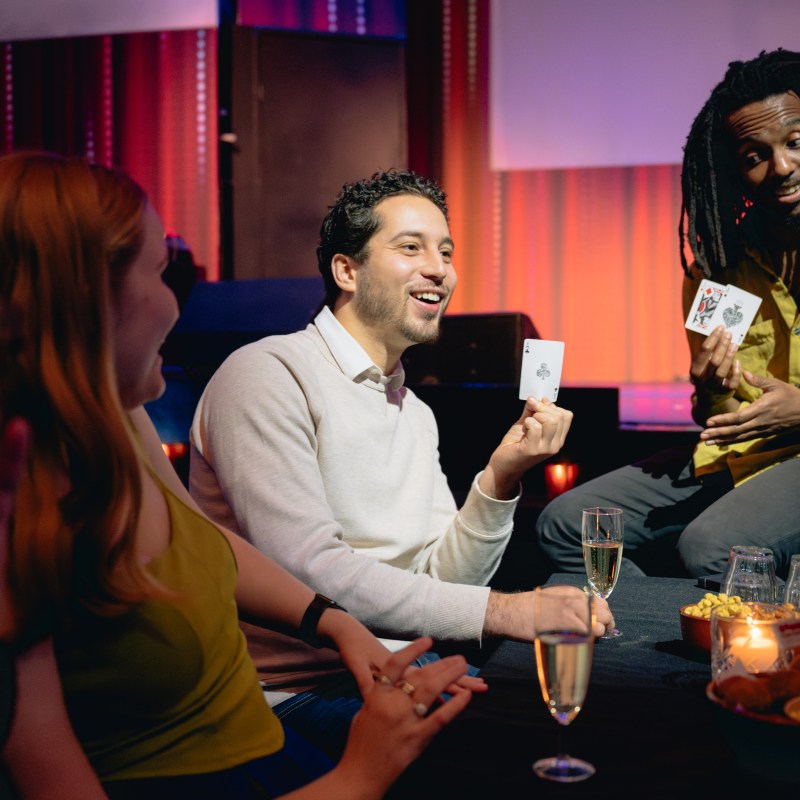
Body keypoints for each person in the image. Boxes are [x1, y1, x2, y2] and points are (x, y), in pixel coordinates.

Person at [0, 152, 492, 799]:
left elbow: (201, 540)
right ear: (83, 298)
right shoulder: (265, 374)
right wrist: (361, 774)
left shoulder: (119, 418)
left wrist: (336, 623)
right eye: (159, 272)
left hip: (276, 732)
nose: (179, 305)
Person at [189, 169, 612, 755]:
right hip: (289, 693)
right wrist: (506, 610)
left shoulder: (413, 410)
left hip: (401, 666)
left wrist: (501, 474)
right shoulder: (267, 373)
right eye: (410, 247)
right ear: (347, 271)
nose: (438, 268)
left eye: (445, 251)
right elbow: (312, 574)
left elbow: (445, 585)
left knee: (600, 722)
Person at [536, 49, 800, 580]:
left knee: (713, 546)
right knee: (568, 524)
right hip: (740, 457)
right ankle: (643, 650)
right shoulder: (719, 268)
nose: (782, 167)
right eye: (754, 155)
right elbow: (716, 414)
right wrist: (711, 387)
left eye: (794, 142)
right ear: (733, 170)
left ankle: (764, 660)